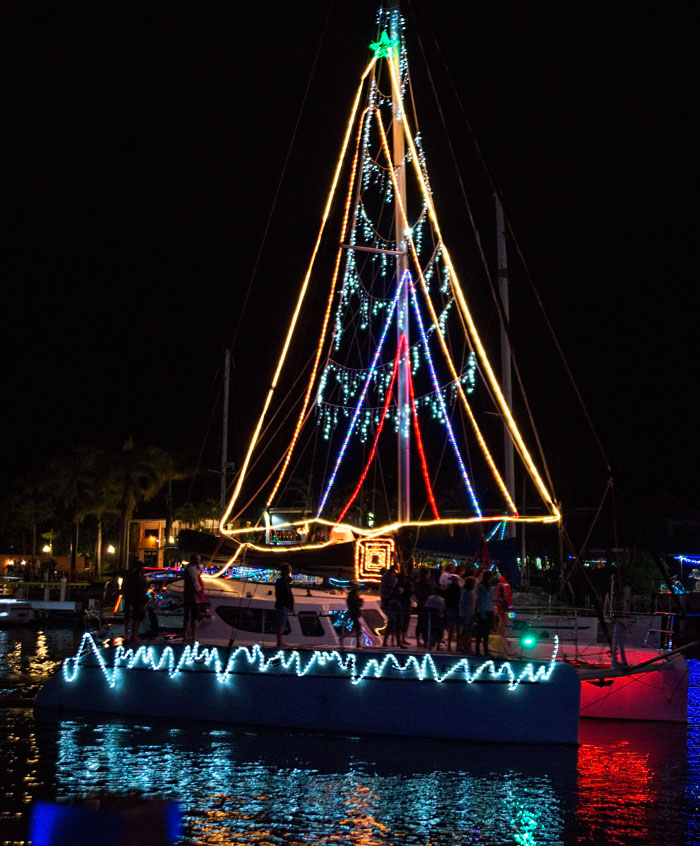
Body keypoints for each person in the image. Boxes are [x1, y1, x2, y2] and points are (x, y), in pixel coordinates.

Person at [123, 559, 148, 644]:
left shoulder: (133, 578)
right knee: (135, 619)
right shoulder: (136, 579)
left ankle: (131, 636)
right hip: (136, 601)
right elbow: (139, 590)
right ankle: (133, 636)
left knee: (135, 619)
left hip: (135, 601)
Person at [182, 554, 204, 644]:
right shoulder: (191, 569)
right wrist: (200, 592)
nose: (199, 561)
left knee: (190, 617)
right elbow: (195, 581)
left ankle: (189, 636)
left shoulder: (194, 568)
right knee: (192, 617)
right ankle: (190, 637)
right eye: (197, 560)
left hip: (191, 596)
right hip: (192, 596)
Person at [475, 571, 495, 657]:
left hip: (489, 610)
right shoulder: (481, 587)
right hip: (484, 611)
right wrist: (482, 613)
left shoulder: (489, 587)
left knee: (487, 632)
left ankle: (486, 649)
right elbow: (480, 601)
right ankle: (477, 649)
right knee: (481, 631)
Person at [274, 563, 294, 648]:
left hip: (283, 604)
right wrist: (288, 604)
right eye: (289, 570)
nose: (290, 571)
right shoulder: (282, 582)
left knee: (282, 623)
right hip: (282, 605)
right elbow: (285, 594)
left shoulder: (284, 581)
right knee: (281, 623)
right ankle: (280, 642)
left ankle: (280, 641)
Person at [459, 576, 477, 653]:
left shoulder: (469, 591)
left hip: (469, 613)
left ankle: (466, 646)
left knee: (468, 631)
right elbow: (463, 603)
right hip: (466, 613)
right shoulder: (466, 592)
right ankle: (464, 646)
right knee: (466, 631)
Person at [344, 582, 364, 648]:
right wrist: (359, 602)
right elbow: (353, 605)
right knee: (357, 627)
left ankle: (343, 638)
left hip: (355, 613)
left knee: (354, 628)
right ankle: (357, 643)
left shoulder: (354, 595)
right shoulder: (351, 596)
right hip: (353, 614)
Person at [494, 570, 513, 637]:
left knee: (500, 622)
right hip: (503, 606)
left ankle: (498, 635)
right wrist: (511, 607)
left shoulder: (498, 583)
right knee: (503, 622)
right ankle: (501, 636)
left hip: (497, 605)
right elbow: (508, 597)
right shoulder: (505, 585)